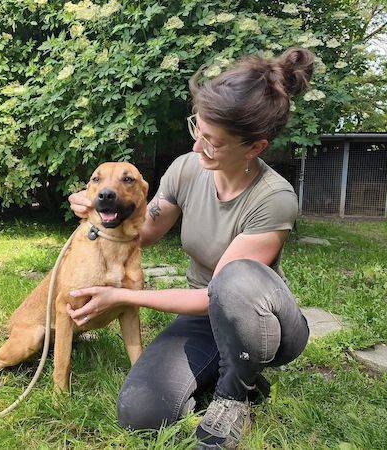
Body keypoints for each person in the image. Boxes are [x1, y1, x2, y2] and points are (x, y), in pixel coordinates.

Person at [67, 47, 315, 449]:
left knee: (234, 280)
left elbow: (216, 295)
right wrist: (101, 209)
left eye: (213, 142)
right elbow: (144, 232)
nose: (198, 148)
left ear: (254, 148)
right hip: (203, 319)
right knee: (141, 413)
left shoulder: (274, 198)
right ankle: (226, 375)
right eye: (197, 131)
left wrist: (122, 296)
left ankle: (235, 395)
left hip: (262, 322)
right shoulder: (187, 168)